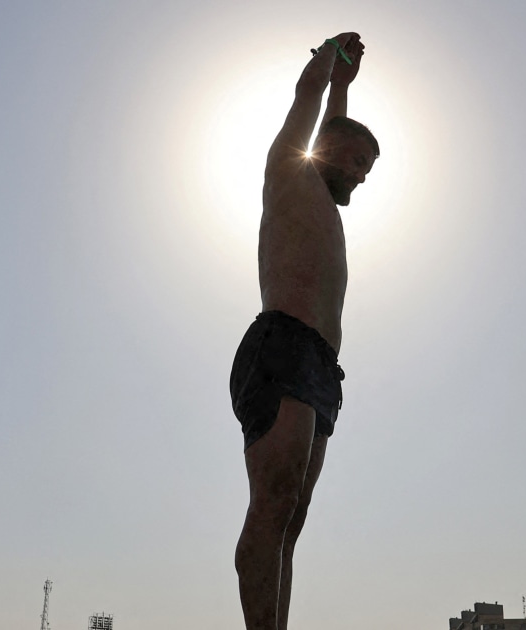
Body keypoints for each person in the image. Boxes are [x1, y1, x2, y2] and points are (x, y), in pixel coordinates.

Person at [228, 32, 379, 630]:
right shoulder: (289, 171)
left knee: (294, 514)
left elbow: (334, 113)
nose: (363, 176)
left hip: (321, 366)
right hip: (283, 342)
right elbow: (308, 102)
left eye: (369, 168)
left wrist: (345, 86)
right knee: (274, 500)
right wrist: (326, 63)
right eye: (358, 161)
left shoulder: (324, 204)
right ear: (329, 150)